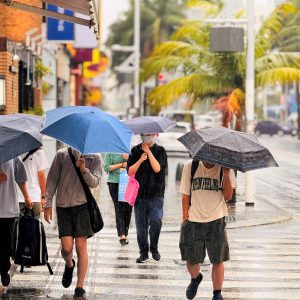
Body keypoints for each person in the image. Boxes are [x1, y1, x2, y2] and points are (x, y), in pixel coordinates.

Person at [44, 147, 102, 300]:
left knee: (80, 247)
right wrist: (48, 203)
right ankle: (69, 264)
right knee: (66, 248)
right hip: (63, 207)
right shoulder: (62, 154)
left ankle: (79, 287)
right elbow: (52, 179)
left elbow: (95, 183)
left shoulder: (95, 157)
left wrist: (84, 169)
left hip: (82, 206)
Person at [179, 160, 237, 300]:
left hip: (216, 219)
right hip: (194, 220)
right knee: (191, 260)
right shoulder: (190, 166)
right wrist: (185, 218)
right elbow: (185, 195)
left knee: (218, 259)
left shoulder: (226, 167)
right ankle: (195, 278)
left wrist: (226, 172)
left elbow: (228, 197)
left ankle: (217, 293)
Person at [127, 134, 168, 263]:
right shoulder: (134, 151)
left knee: (156, 221)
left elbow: (157, 169)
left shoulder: (160, 151)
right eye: (144, 135)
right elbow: (130, 171)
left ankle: (154, 248)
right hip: (139, 194)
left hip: (156, 194)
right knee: (141, 226)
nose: (146, 137)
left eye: (149, 134)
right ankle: (143, 252)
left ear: (155, 134)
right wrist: (140, 160)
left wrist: (149, 152)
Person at [0, 158, 32, 287]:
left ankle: (4, 268)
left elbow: (21, 177)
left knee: (5, 243)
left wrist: (27, 196)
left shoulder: (13, 153)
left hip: (8, 207)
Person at [103, 153, 132, 245]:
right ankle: (121, 235)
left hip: (128, 182)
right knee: (119, 207)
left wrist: (128, 159)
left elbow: (134, 167)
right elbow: (106, 168)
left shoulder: (129, 151)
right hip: (114, 183)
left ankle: (125, 232)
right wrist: (121, 164)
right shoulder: (110, 152)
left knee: (128, 208)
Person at [18, 148, 49, 218]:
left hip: (18, 197)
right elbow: (41, 176)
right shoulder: (39, 153)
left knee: (17, 226)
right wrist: (43, 196)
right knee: (33, 226)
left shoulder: (15, 152)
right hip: (34, 197)